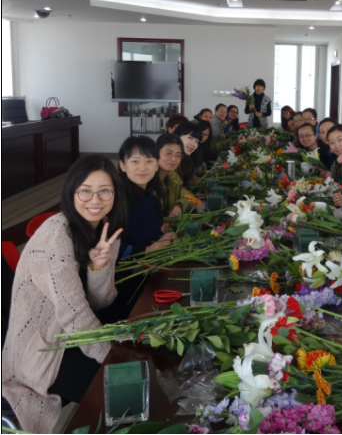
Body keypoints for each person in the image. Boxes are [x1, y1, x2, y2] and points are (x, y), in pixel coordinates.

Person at [2, 155, 127, 434]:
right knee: (120, 390)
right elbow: (75, 313)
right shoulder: (55, 235)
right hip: (43, 349)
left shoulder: (106, 229)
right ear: (71, 193)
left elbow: (100, 301)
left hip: (73, 335)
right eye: (85, 191)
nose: (95, 200)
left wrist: (99, 266)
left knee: (131, 373)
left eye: (104, 191)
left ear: (115, 194)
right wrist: (112, 356)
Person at [97, 137, 175, 325]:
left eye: (149, 161)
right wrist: (147, 250)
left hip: (146, 270)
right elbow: (107, 244)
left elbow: (148, 229)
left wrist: (161, 234)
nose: (143, 167)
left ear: (156, 166)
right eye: (135, 161)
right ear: (123, 165)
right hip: (121, 281)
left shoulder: (150, 194)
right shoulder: (117, 199)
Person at [156, 134, 198, 217]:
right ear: (156, 153)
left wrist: (179, 206)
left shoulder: (172, 177)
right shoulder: (146, 180)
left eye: (178, 155)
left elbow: (192, 198)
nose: (174, 159)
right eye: (168, 153)